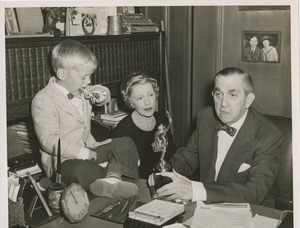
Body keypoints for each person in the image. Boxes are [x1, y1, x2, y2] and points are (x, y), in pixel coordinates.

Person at [156, 67, 283, 206]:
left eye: (232, 95)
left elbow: (254, 192)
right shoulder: (206, 117)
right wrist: (165, 175)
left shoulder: (268, 135)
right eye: (218, 94)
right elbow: (187, 157)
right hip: (204, 205)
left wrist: (194, 190)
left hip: (247, 211)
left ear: (248, 100)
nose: (223, 103)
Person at [31, 39, 139, 199]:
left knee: (126, 143)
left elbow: (101, 91)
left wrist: (101, 94)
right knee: (81, 170)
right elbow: (48, 140)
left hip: (91, 148)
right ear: (62, 73)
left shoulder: (81, 89)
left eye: (90, 76)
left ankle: (111, 180)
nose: (88, 81)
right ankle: (53, 180)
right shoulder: (43, 100)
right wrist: (82, 153)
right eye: (84, 77)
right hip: (63, 161)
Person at [111, 72, 177, 179]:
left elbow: (171, 152)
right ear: (130, 101)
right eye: (140, 98)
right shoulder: (122, 132)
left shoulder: (162, 119)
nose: (147, 102)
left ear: (155, 94)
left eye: (150, 95)